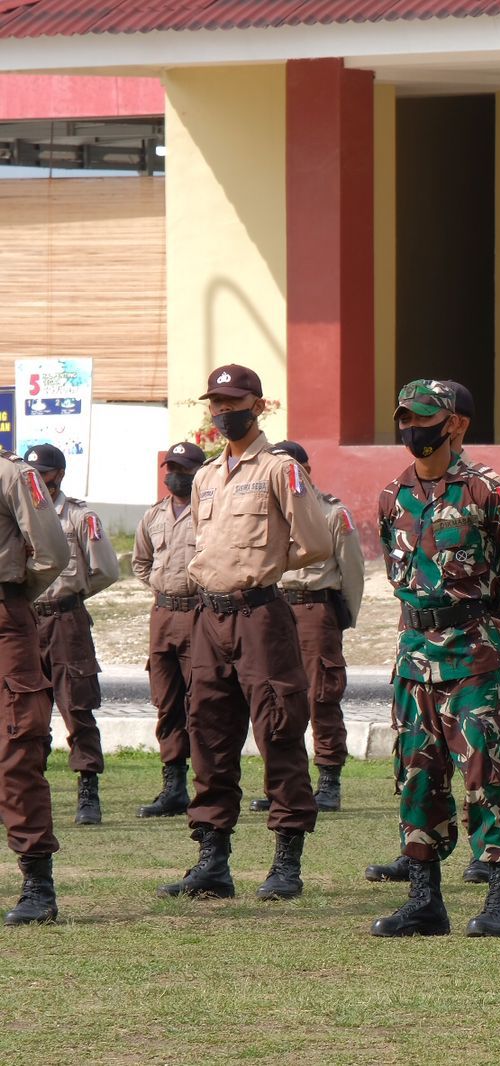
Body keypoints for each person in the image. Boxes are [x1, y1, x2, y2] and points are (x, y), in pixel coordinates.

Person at [371, 379, 500, 938]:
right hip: (413, 656)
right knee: (417, 774)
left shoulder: (483, 492)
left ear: (453, 425)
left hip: (470, 655)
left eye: (423, 418)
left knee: (488, 771)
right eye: (405, 418)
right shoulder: (392, 495)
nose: (411, 429)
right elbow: (397, 572)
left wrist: (488, 603)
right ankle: (425, 901)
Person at [160, 364, 333, 903]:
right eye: (216, 403)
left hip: (260, 613)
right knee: (207, 731)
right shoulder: (207, 475)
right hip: (206, 617)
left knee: (279, 728)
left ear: (260, 406)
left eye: (234, 402)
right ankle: (213, 861)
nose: (223, 412)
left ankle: (286, 863)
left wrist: (265, 565)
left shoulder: (281, 469)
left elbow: (314, 543)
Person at [237, 441, 364, 816]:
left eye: (296, 467)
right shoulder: (259, 510)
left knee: (320, 696)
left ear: (307, 469)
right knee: (272, 698)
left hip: (313, 609)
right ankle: (283, 784)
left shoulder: (331, 512)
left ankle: (328, 782)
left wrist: (342, 618)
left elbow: (352, 571)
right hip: (271, 607)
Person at [24, 444, 120, 826]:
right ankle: (27, 791)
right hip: (27, 623)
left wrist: (74, 593)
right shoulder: (19, 513)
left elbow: (106, 570)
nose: (37, 481)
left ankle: (87, 791)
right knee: (26, 712)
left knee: (77, 707)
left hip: (66, 621)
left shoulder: (79, 516)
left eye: (43, 474)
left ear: (58, 475)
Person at [0, 446, 71, 925]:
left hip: (4, 616)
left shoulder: (12, 475)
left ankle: (37, 885)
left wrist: (17, 592)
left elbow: (53, 551)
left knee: (16, 749)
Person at [131, 441, 208, 818]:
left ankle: (209, 785)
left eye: (184, 468)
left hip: (200, 614)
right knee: (167, 702)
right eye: (171, 468)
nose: (175, 475)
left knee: (204, 702)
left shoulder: (211, 512)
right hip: (162, 615)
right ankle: (173, 786)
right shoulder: (153, 515)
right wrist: (165, 589)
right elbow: (141, 563)